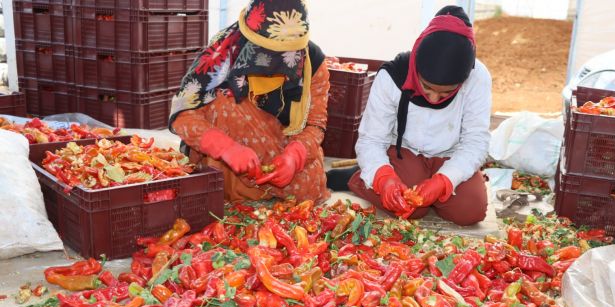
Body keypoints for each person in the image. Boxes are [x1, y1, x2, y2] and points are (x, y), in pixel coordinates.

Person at [169, 0, 330, 203]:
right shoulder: (224, 51)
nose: (279, 61)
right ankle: (238, 189)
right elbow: (184, 115)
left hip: (282, 145)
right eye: (270, 52)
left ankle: (269, 183)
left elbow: (316, 123)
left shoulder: (312, 63)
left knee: (307, 184)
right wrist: (225, 148)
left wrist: (295, 156)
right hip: (232, 149)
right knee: (224, 103)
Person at [349, 6, 491, 226]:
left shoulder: (478, 77)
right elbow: (371, 139)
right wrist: (384, 179)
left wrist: (444, 180)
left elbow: (476, 141)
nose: (434, 99)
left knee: (470, 211)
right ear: (416, 67)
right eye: (427, 88)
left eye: (446, 93)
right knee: (409, 208)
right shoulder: (393, 75)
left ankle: (434, 191)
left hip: (450, 155)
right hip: (405, 152)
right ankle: (364, 178)